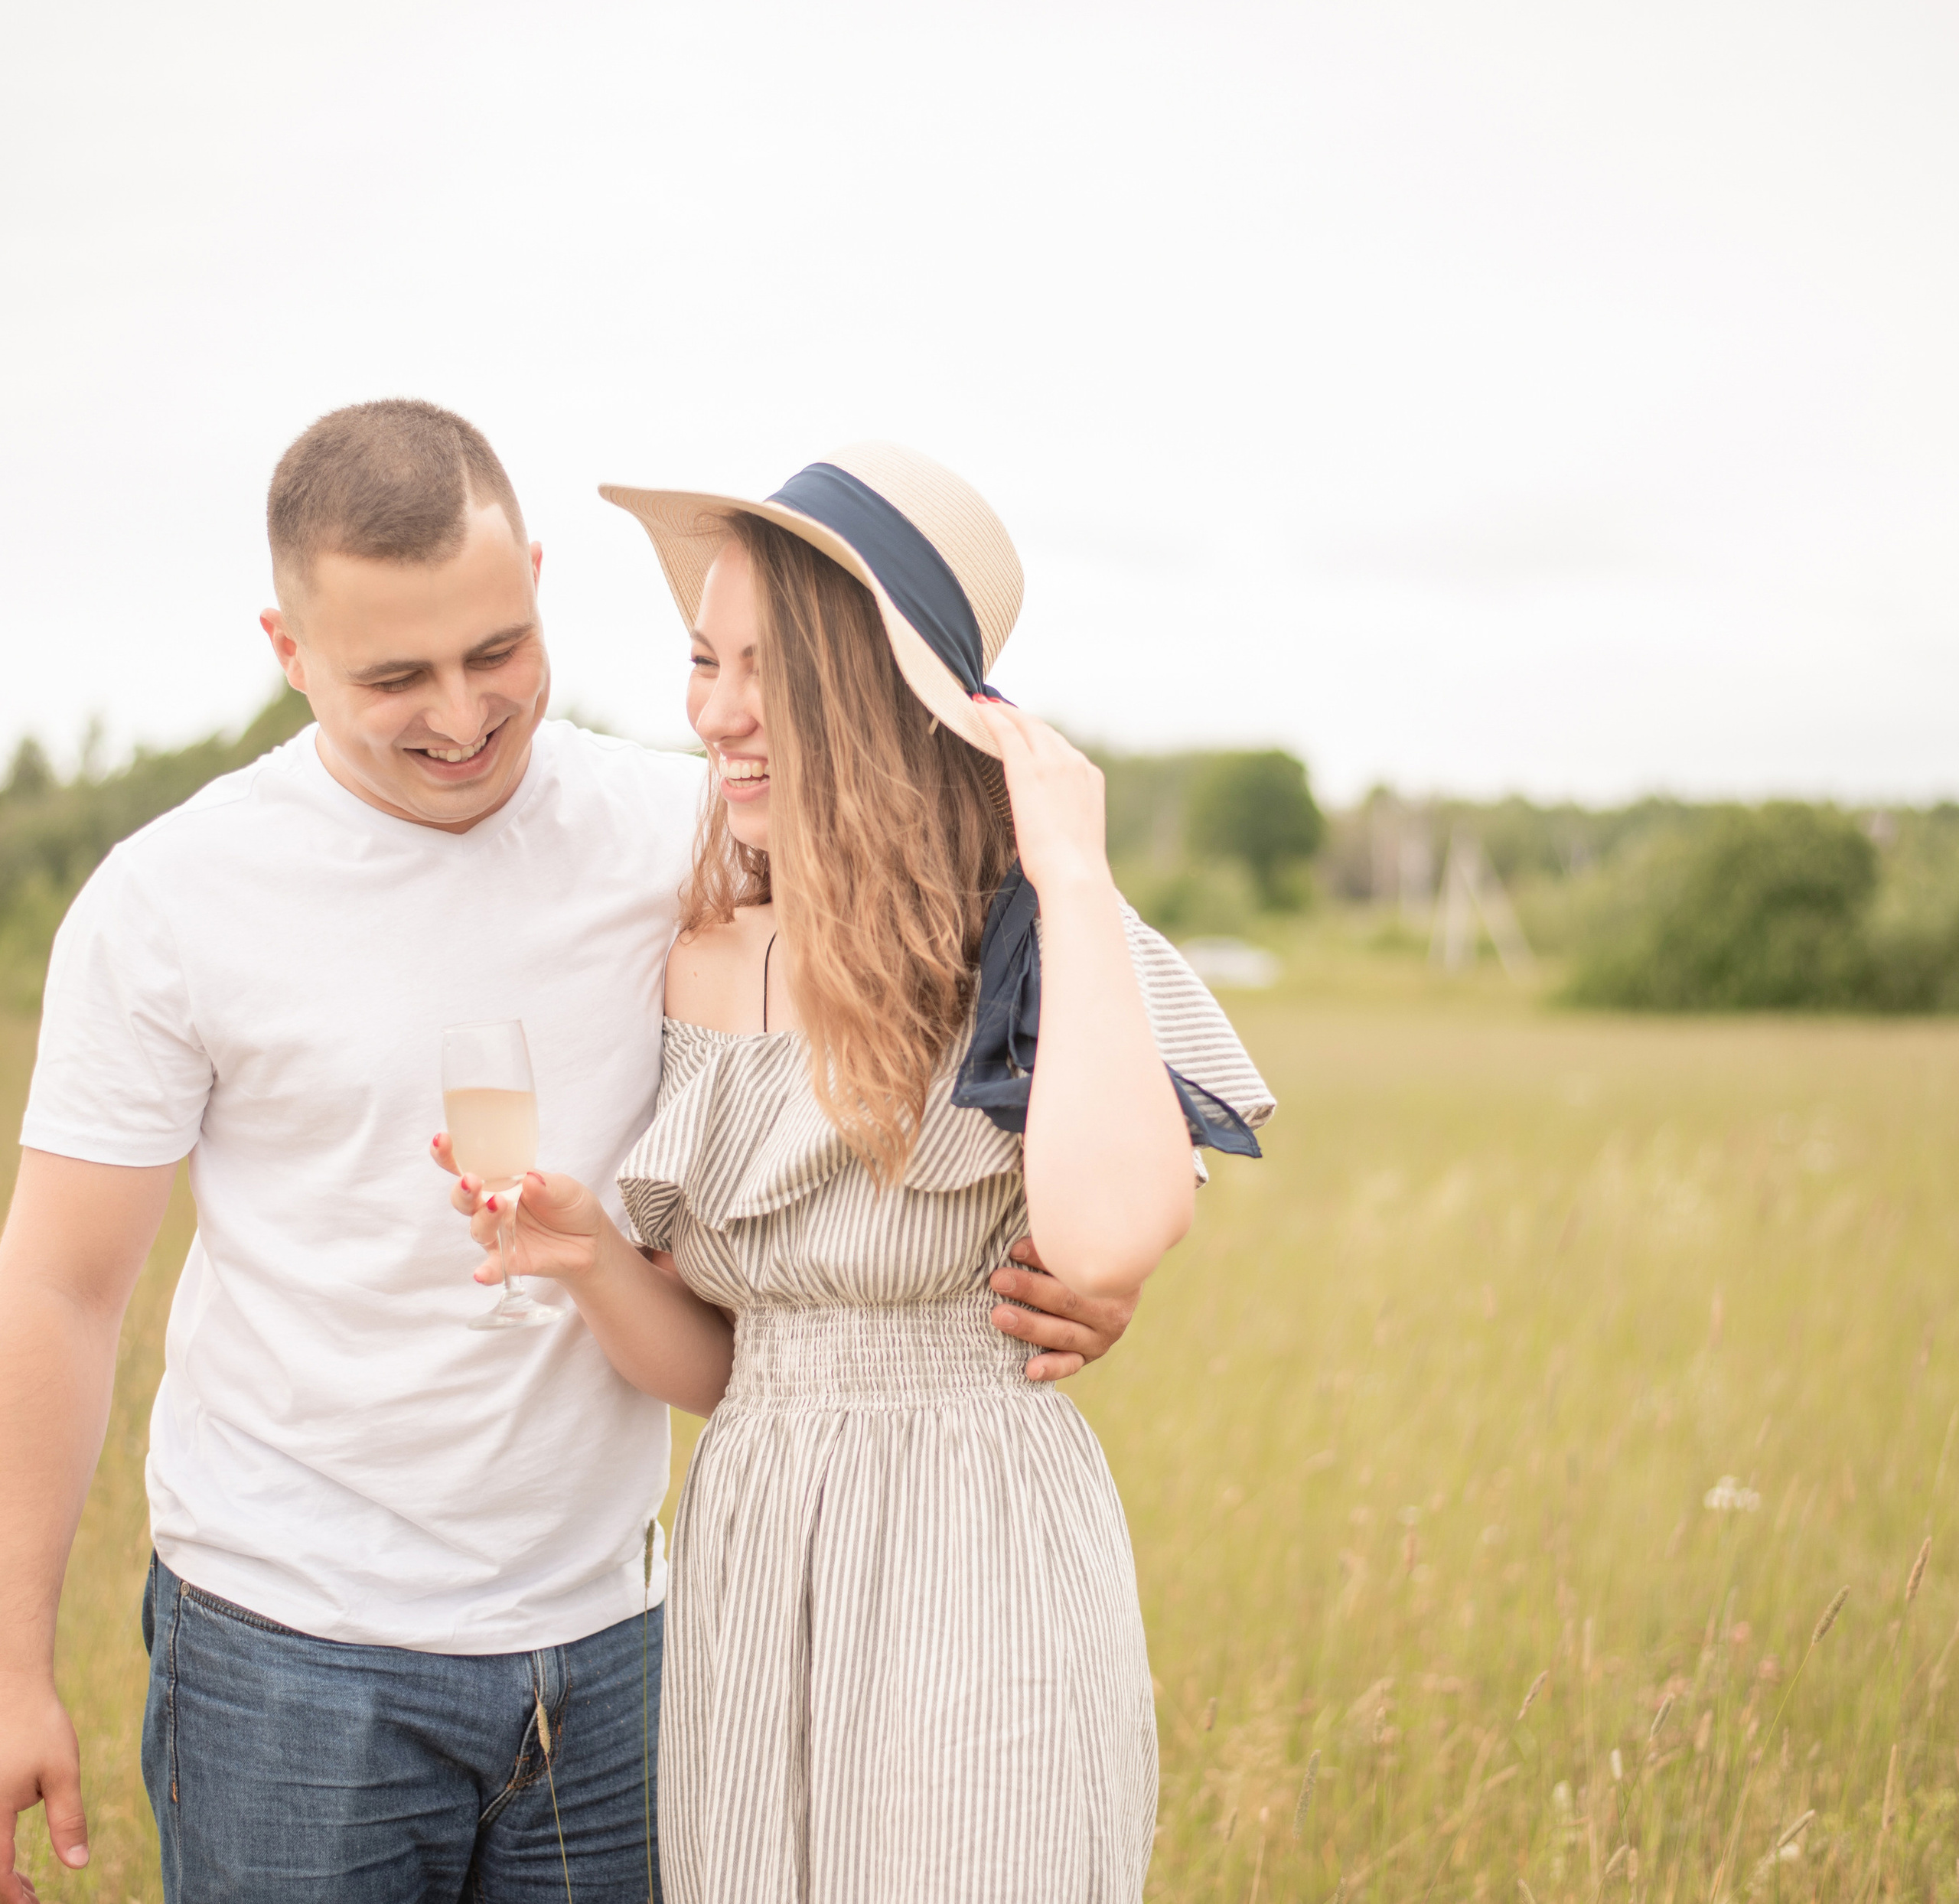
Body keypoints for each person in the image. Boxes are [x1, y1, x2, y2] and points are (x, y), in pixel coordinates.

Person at [0, 403, 1138, 1904]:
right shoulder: (170, 903)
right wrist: (15, 1659)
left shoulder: (685, 836)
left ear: (535, 577)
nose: (462, 713)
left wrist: (1076, 1271)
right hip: (290, 1662)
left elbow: (965, 1026)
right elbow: (66, 1291)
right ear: (288, 647)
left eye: (497, 651)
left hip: (621, 1648)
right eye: (393, 675)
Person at [444, 444, 1275, 1901]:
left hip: (981, 1551)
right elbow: (732, 1369)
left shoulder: (1037, 941)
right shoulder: (701, 963)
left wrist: (1072, 871)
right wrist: (585, 1260)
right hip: (759, 1557)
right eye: (702, 662)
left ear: (881, 690)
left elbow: (1106, 1240)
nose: (715, 711)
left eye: (764, 669)